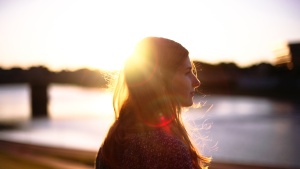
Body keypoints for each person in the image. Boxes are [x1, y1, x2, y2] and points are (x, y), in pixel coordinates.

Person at [95, 37, 211, 169]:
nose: (197, 82)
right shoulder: (170, 150)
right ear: (160, 81)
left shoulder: (112, 144)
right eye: (187, 72)